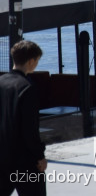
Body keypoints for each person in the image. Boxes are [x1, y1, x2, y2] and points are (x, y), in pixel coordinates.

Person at [1, 40, 47, 196]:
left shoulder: (1, 82)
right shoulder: (27, 87)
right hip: (24, 160)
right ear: (31, 61)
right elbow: (30, 129)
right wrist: (40, 156)